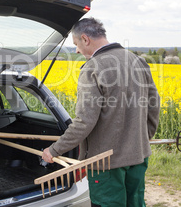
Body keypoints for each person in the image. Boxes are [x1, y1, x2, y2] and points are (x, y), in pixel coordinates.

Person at [42, 17, 160, 207]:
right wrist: (143, 138)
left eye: (76, 44)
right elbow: (154, 105)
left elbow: (84, 122)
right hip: (139, 156)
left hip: (106, 163)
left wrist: (54, 150)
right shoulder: (137, 60)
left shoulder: (93, 68)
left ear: (85, 39)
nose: (77, 51)